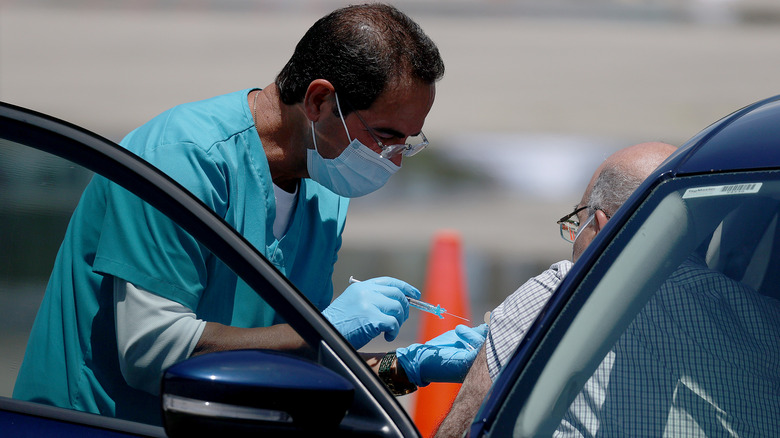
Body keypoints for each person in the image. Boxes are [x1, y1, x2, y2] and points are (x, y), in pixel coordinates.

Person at [14, 3, 482, 425]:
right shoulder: (181, 160)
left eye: (408, 143)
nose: (393, 160)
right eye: (384, 136)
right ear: (319, 101)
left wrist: (405, 366)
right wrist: (322, 330)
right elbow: (153, 352)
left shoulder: (326, 191)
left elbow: (289, 362)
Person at [434, 141, 678, 437]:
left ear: (601, 227)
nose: (574, 238)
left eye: (578, 221)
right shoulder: (745, 306)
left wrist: (400, 370)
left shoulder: (559, 292)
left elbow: (459, 430)